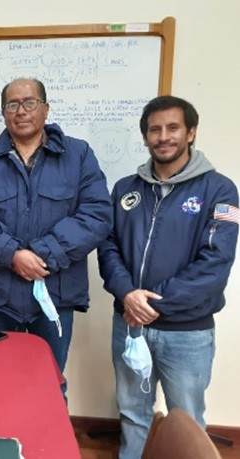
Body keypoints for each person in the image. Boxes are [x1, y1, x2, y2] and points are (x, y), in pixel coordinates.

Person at [98, 95, 239, 458]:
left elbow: (215, 263)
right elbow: (108, 248)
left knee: (186, 420)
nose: (163, 137)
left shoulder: (220, 190)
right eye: (155, 130)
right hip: (129, 324)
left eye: (173, 128)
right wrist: (127, 294)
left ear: (191, 133)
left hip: (187, 333)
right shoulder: (125, 189)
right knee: (132, 412)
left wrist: (152, 304)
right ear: (145, 137)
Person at [0, 77, 112, 391]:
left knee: (49, 382)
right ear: (3, 112)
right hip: (0, 295)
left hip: (55, 292)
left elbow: (96, 214)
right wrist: (13, 254)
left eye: (29, 102)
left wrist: (42, 254)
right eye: (12, 104)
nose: (21, 111)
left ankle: (49, 426)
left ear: (45, 109)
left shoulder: (78, 155)